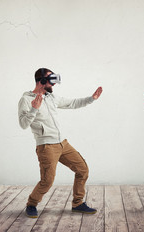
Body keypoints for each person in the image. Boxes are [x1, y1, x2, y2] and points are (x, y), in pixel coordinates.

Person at [18, 68, 103, 218]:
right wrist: (33, 109)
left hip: (62, 144)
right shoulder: (25, 100)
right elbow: (23, 124)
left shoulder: (51, 98)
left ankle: (77, 203)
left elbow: (72, 103)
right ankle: (31, 204)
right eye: (51, 80)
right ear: (42, 81)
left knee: (82, 170)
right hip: (46, 146)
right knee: (47, 181)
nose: (54, 84)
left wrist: (92, 98)